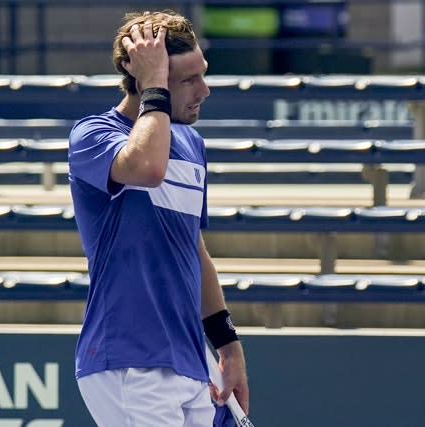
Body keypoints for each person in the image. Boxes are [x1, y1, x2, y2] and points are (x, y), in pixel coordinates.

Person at [68, 9, 249, 427]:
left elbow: (194, 249)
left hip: (191, 359)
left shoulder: (192, 143)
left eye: (202, 74)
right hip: (129, 360)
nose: (204, 90)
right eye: (187, 80)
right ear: (147, 79)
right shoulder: (92, 135)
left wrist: (228, 346)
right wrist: (154, 87)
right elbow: (147, 168)